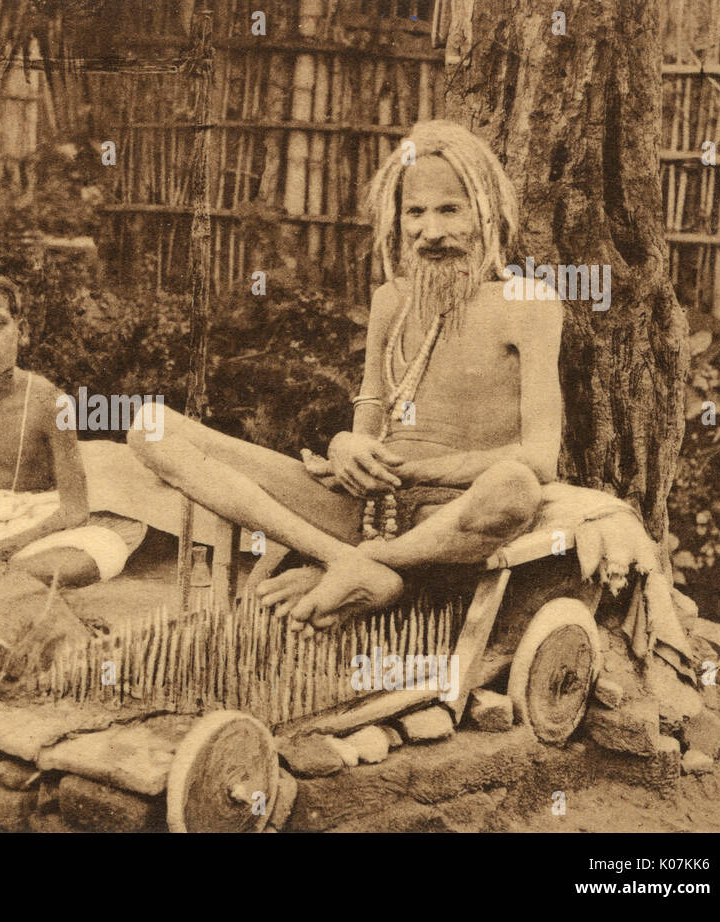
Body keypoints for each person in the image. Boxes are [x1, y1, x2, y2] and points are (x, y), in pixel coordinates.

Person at [129, 120, 562, 632]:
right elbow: (371, 412)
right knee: (149, 426)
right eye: (415, 213)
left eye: (450, 210)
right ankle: (339, 561)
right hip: (363, 509)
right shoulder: (391, 301)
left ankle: (381, 566)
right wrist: (346, 447)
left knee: (515, 486)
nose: (432, 232)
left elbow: (539, 459)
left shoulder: (526, 303)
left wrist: (415, 473)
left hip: (448, 517)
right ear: (396, 220)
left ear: (486, 213)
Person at [0, 271, 129, 588]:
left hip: (43, 527)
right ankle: (1, 576)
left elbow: (74, 510)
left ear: (22, 331)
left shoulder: (50, 401)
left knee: (101, 552)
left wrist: (3, 548)